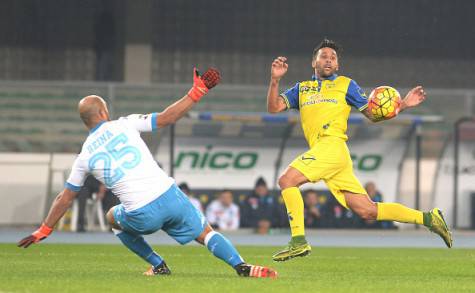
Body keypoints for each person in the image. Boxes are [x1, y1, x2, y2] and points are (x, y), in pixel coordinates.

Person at [18, 68, 277, 279]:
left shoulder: (83, 157)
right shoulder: (125, 124)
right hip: (170, 195)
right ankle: (240, 265)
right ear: (103, 112)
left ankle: (158, 264)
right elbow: (166, 118)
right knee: (205, 233)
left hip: (142, 214)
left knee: (112, 216)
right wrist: (196, 92)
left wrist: (44, 229)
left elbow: (65, 197)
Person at [266, 38, 452, 261]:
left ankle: (298, 241)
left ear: (337, 66)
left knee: (287, 180)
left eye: (333, 58)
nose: (328, 60)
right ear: (313, 62)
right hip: (331, 154)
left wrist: (402, 104)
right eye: (324, 56)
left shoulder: (346, 84)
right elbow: (274, 107)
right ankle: (429, 219)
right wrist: (275, 80)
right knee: (367, 210)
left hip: (332, 144)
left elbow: (373, 114)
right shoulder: (301, 89)